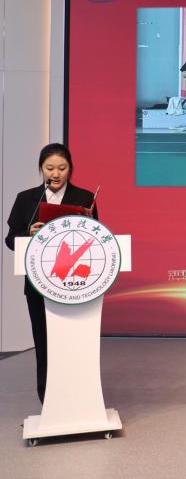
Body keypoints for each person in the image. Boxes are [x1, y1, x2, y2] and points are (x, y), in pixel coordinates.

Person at [5, 143, 98, 404]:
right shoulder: (27, 199)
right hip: (39, 283)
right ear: (41, 169)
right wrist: (28, 233)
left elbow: (96, 238)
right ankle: (47, 399)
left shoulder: (84, 198)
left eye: (62, 168)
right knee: (44, 342)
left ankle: (79, 397)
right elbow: (11, 240)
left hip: (76, 283)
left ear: (70, 169)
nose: (55, 174)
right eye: (49, 168)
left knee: (74, 342)